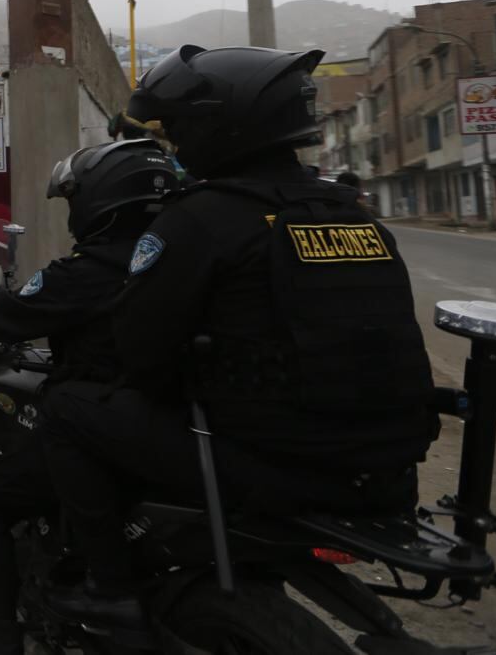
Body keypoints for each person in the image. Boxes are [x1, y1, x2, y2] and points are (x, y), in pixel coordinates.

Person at [41, 45, 436, 627]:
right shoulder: (355, 216)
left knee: (67, 409)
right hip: (389, 468)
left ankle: (111, 586)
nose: (175, 144)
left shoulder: (200, 219)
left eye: (179, 128)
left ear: (219, 127)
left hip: (275, 465)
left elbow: (142, 354)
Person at [0, 139, 180, 655]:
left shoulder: (90, 270)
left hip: (105, 425)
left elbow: (8, 312)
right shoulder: (178, 255)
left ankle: (1, 641)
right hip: (177, 425)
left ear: (101, 202)